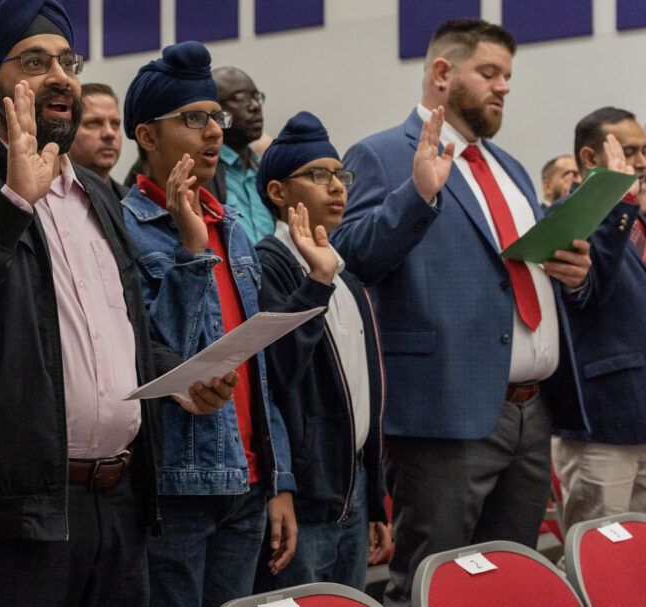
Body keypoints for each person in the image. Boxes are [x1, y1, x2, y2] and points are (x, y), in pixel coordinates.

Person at [0, 2, 238, 605]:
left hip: (119, 508)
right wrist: (12, 203)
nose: (62, 76)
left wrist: (177, 378)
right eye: (36, 61)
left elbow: (114, 330)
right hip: (8, 520)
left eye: (68, 61)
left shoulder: (97, 193)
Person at [329, 20, 593, 607]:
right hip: (442, 415)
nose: (503, 87)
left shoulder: (511, 168)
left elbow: (522, 275)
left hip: (531, 412)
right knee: (430, 583)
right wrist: (416, 196)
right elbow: (353, 262)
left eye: (508, 77)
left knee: (510, 583)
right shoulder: (380, 154)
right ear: (444, 73)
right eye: (490, 73)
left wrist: (574, 274)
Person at [120, 41, 297, 607]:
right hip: (179, 484)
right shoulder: (123, 227)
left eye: (215, 117)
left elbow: (257, 367)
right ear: (147, 137)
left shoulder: (234, 223)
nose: (214, 132)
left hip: (246, 480)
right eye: (193, 120)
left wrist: (278, 480)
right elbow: (156, 355)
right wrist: (191, 251)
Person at [252, 112, 389, 592]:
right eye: (317, 175)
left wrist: (374, 497)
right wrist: (316, 282)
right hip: (304, 501)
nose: (336, 186)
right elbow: (274, 374)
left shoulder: (345, 276)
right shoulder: (266, 267)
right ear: (277, 193)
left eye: (339, 175)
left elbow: (363, 393)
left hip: (350, 496)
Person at [549, 107, 646, 530]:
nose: (641, 160)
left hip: (641, 415)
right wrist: (618, 200)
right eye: (629, 150)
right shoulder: (566, 216)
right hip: (603, 422)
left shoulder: (636, 218)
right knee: (595, 561)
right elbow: (588, 293)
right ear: (590, 159)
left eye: (644, 150)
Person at [213, 66, 275, 242]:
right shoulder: (202, 173)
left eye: (256, 96)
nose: (255, 106)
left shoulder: (266, 169)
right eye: (241, 98)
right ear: (216, 112)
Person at [68, 82, 125, 199]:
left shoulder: (132, 203)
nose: (109, 133)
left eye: (115, 124)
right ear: (67, 132)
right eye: (93, 123)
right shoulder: (45, 200)